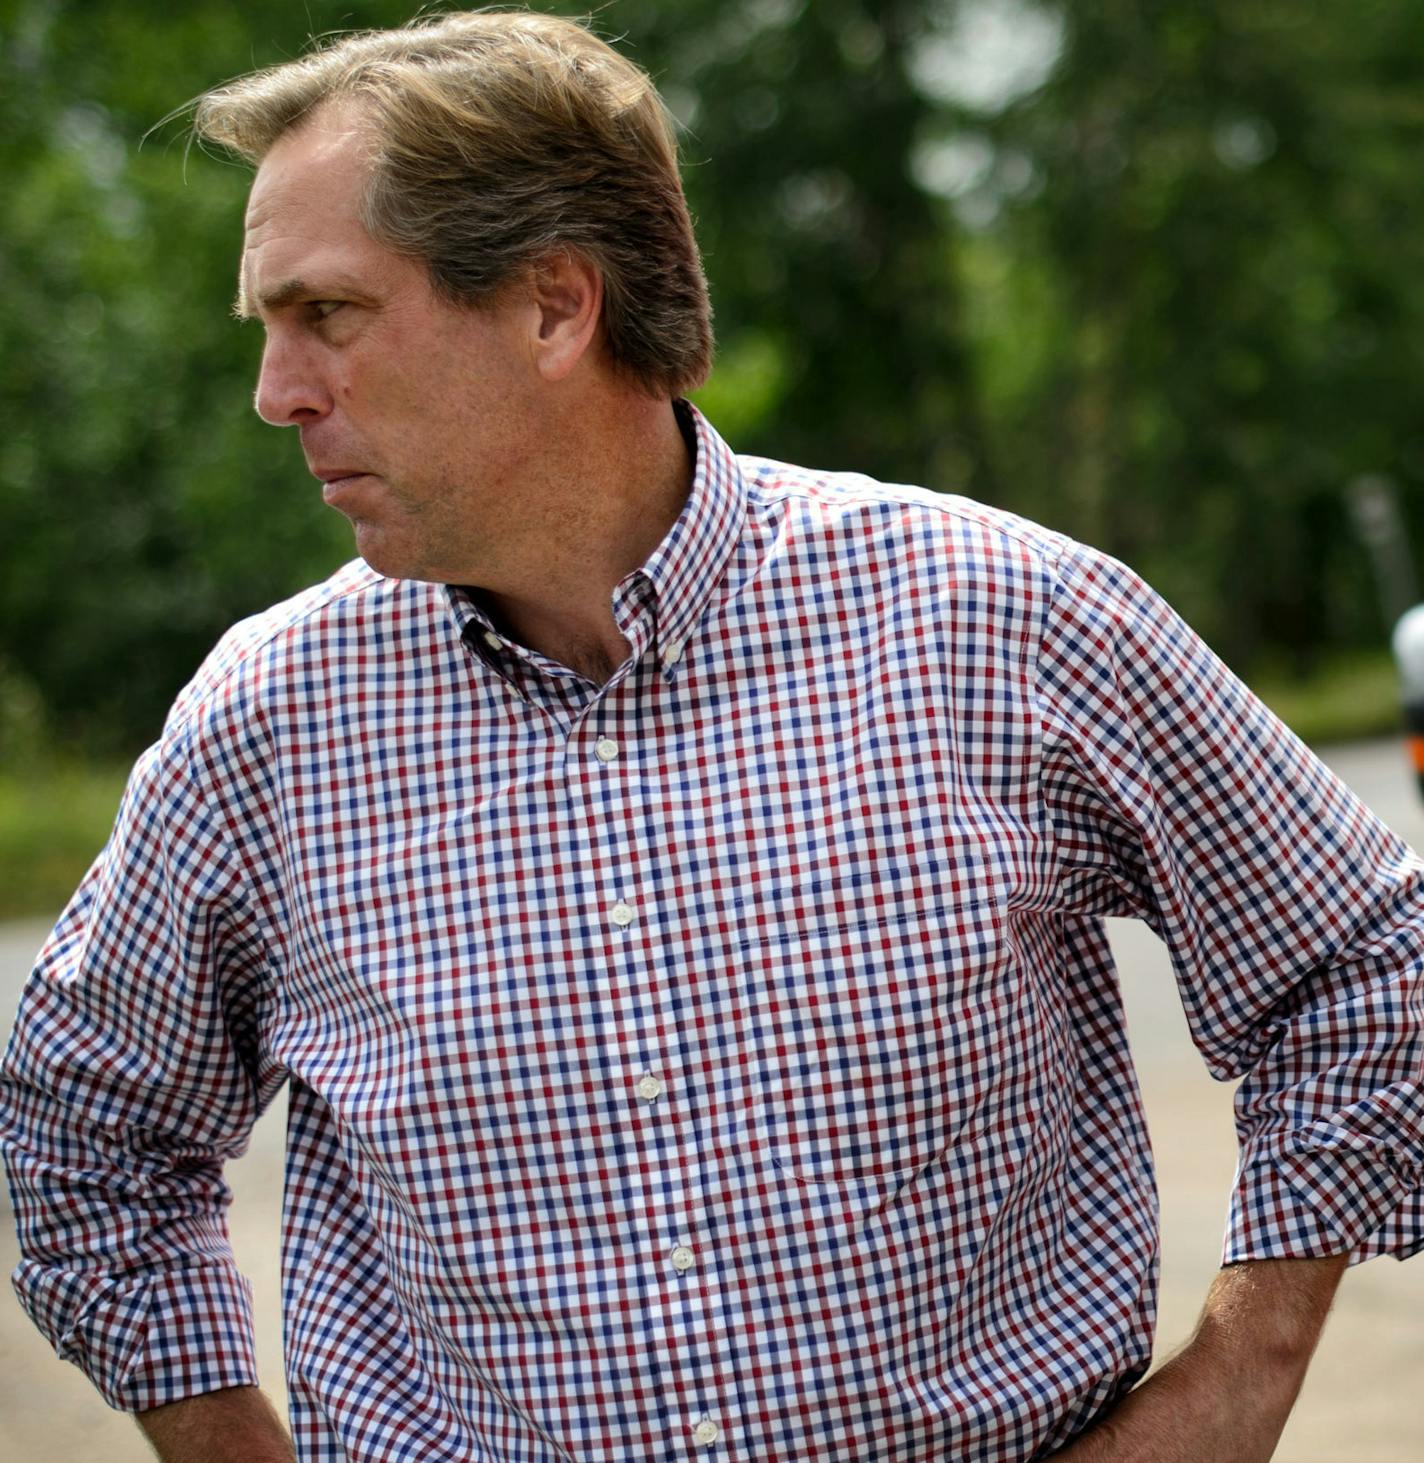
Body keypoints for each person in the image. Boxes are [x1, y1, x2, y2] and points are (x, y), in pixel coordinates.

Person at [2, 11, 1420, 1463]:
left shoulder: (1002, 619)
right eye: (271, 328)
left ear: (555, 307)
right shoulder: (265, 731)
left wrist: (1237, 1383)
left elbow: (1366, 965)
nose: (276, 393)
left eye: (331, 316)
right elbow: (86, 1136)